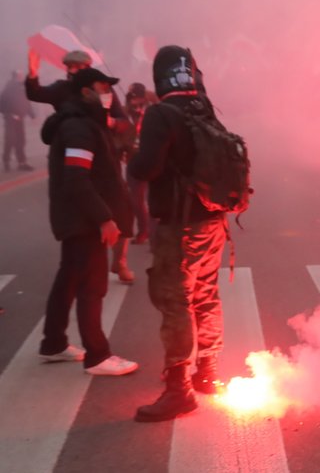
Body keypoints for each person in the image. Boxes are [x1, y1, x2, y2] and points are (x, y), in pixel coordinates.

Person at [130, 46, 228, 422]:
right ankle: (208, 372)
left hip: (179, 226)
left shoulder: (160, 114)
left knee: (175, 302)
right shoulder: (204, 108)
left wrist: (140, 150)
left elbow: (145, 168)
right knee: (206, 295)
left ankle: (178, 390)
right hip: (213, 223)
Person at [38, 67, 138, 376]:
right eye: (102, 87)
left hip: (78, 218)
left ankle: (53, 343)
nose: (108, 93)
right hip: (84, 222)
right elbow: (77, 180)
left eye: (110, 87)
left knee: (68, 279)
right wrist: (105, 218)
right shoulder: (79, 128)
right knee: (92, 286)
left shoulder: (88, 123)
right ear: (85, 92)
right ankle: (98, 356)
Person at [26, 49, 126, 120]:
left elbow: (122, 120)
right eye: (70, 67)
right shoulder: (62, 88)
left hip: (101, 145)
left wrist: (112, 123)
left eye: (78, 66)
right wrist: (32, 74)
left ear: (88, 68)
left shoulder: (103, 88)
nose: (73, 70)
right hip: (69, 142)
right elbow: (35, 94)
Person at [122, 83, 156, 245]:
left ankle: (155, 231)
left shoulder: (155, 110)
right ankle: (143, 230)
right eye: (132, 100)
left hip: (153, 157)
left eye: (139, 101)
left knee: (154, 197)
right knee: (135, 199)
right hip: (133, 160)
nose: (136, 104)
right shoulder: (124, 113)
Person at [2, 71, 35, 171]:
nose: (21, 78)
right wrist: (8, 114)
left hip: (19, 118)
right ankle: (6, 161)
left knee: (20, 140)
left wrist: (31, 114)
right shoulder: (8, 89)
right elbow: (1, 103)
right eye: (20, 76)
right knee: (11, 140)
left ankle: (21, 162)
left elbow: (26, 101)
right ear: (15, 77)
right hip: (10, 119)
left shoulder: (22, 88)